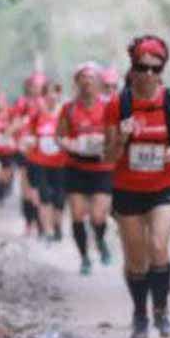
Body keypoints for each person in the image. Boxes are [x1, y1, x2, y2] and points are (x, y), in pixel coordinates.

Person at [104, 35, 170, 338]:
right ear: (134, 68)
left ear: (162, 69)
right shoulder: (118, 103)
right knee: (136, 258)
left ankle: (162, 311)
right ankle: (140, 314)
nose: (149, 74)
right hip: (127, 189)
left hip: (163, 187)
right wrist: (121, 139)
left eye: (156, 68)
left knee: (158, 247)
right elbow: (108, 155)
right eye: (143, 67)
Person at [57, 61, 115, 275]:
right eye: (83, 78)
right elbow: (60, 136)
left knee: (99, 216)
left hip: (102, 168)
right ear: (77, 83)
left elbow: (117, 135)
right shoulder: (69, 109)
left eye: (91, 78)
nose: (87, 82)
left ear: (98, 82)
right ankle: (84, 258)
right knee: (78, 215)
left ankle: (100, 241)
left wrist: (107, 145)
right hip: (76, 168)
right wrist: (69, 144)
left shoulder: (109, 106)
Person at [27, 81, 67, 242]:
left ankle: (57, 227)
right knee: (44, 197)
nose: (51, 96)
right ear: (43, 97)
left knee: (59, 199)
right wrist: (28, 141)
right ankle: (47, 231)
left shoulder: (65, 115)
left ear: (59, 95)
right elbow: (30, 135)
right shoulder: (37, 116)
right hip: (40, 162)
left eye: (55, 92)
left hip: (61, 163)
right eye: (48, 93)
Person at [12, 72, 46, 236]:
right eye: (34, 86)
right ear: (28, 87)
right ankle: (28, 223)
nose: (36, 89)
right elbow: (14, 124)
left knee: (39, 191)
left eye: (40, 85)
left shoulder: (49, 102)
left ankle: (42, 225)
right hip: (24, 151)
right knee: (26, 190)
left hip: (43, 152)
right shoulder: (22, 103)